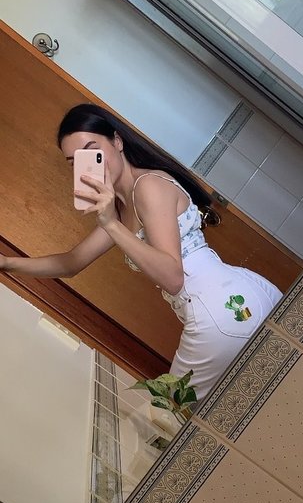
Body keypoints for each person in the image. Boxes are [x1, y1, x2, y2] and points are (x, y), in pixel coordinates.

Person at [0, 104, 282, 400]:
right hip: (240, 292)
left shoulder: (148, 186)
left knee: (170, 409)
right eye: (76, 162)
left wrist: (111, 224)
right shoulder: (122, 208)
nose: (89, 166)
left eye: (92, 152)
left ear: (117, 141)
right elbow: (71, 263)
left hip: (215, 311)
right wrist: (7, 263)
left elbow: (173, 277)